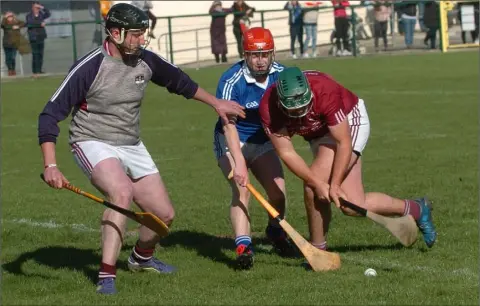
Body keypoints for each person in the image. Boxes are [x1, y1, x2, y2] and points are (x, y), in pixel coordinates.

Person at [37, 3, 245, 295]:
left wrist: (216, 104)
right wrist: (51, 165)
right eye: (135, 34)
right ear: (115, 32)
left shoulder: (146, 60)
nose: (140, 40)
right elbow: (49, 115)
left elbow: (179, 82)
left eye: (142, 34)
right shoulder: (90, 66)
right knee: (121, 192)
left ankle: (141, 258)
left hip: (131, 142)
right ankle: (106, 275)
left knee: (163, 216)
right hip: (91, 139)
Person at [258, 67, 437, 257]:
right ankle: (417, 209)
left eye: (304, 106)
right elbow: (287, 153)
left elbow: (343, 142)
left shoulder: (324, 90)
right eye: (294, 110)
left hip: (349, 123)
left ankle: (317, 252)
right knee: (351, 204)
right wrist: (320, 183)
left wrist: (333, 184)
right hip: (318, 133)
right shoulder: (269, 108)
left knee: (312, 189)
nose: (301, 113)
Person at [213, 27, 295, 270]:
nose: (260, 61)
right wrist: (239, 163)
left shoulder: (282, 76)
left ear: (273, 54)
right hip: (231, 140)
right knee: (242, 191)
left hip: (261, 141)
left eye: (265, 55)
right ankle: (243, 248)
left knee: (278, 193)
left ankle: (275, 231)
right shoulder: (231, 81)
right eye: (254, 55)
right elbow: (228, 126)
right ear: (245, 55)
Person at [1, 11, 30, 76]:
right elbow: (2, 25)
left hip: (14, 43)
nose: (10, 18)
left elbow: (24, 23)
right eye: (8, 17)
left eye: (11, 16)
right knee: (8, 58)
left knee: (13, 57)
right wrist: (4, 17)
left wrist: (18, 26)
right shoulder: (5, 24)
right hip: (6, 44)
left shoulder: (16, 22)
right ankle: (10, 70)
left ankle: (13, 70)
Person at [26, 1, 50, 77]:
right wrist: (40, 24)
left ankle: (39, 70)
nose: (37, 9)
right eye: (36, 7)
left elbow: (48, 14)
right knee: (35, 54)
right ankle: (35, 71)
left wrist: (42, 7)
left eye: (38, 7)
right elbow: (30, 23)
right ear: (33, 7)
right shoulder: (29, 15)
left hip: (41, 36)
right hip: (33, 37)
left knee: (40, 54)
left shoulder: (41, 14)